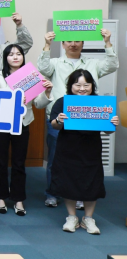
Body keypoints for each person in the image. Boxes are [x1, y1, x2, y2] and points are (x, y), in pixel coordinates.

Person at [37, 28, 117, 208]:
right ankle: (52, 193)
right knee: (55, 159)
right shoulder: (55, 63)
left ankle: (80, 195)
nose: (73, 44)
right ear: (63, 44)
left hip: (87, 120)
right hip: (60, 118)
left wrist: (107, 42)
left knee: (83, 161)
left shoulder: (93, 63)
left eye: (77, 41)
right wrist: (47, 45)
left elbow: (112, 65)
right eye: (69, 41)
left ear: (83, 43)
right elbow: (42, 68)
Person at [49, 69, 117, 234]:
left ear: (92, 86)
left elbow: (108, 131)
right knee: (69, 181)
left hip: (91, 149)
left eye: (86, 85)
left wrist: (112, 123)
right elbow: (54, 125)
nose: (82, 88)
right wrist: (59, 120)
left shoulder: (100, 104)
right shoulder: (63, 102)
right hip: (68, 149)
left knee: (91, 182)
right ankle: (72, 217)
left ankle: (88, 218)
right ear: (70, 86)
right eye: (77, 85)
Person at [0, 44, 53, 215]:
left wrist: (47, 92)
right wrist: (15, 98)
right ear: (5, 58)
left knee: (19, 163)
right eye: (11, 54)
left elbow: (39, 104)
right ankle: (1, 197)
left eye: (19, 54)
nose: (15, 57)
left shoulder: (32, 76)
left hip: (22, 122)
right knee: (0, 161)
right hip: (1, 123)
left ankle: (18, 199)